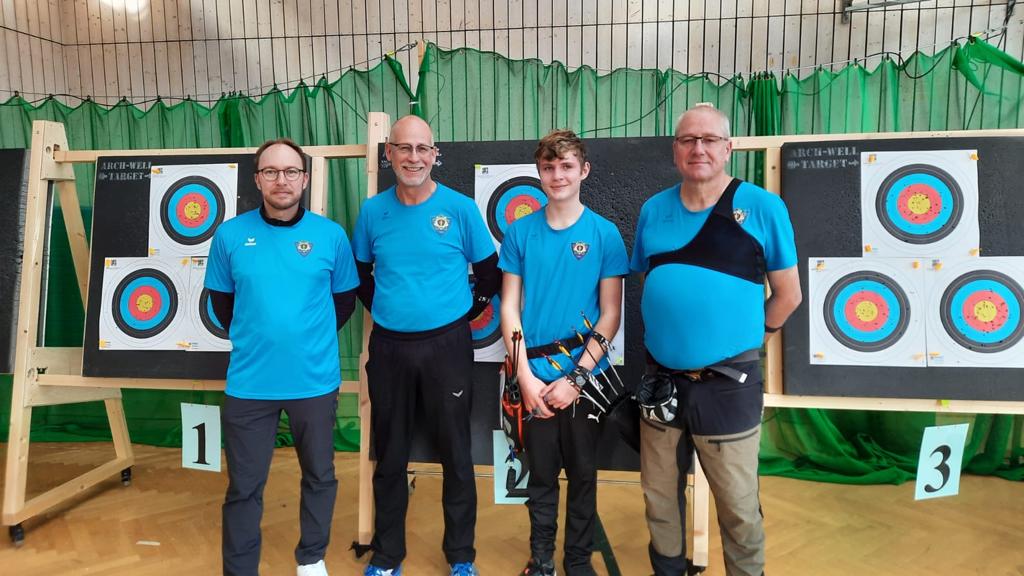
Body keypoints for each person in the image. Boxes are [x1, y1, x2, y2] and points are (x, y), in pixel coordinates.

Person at [630, 104, 802, 576]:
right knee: (658, 498)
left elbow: (788, 295)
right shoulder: (653, 210)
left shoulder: (763, 207)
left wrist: (748, 339)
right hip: (661, 384)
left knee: (739, 506)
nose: (698, 148)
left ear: (728, 148)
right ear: (675, 150)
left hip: (728, 386)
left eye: (709, 139)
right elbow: (650, 280)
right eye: (688, 139)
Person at [353, 115, 500, 576]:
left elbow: (490, 274)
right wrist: (390, 310)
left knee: (456, 454)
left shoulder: (460, 209)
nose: (413, 157)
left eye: (422, 148)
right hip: (389, 349)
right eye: (404, 148)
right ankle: (387, 555)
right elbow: (360, 275)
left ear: (435, 155)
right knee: (390, 454)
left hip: (447, 348)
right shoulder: (372, 212)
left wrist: (461, 314)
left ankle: (461, 555)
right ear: (389, 154)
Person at [205, 138, 360, 576]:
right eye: (271, 172)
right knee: (243, 487)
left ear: (304, 179)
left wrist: (305, 340)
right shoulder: (230, 235)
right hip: (250, 385)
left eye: (291, 171)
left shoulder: (330, 236)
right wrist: (263, 338)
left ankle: (311, 558)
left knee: (320, 475)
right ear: (257, 180)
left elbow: (344, 302)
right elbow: (222, 304)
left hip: (314, 382)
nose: (282, 180)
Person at [498, 129, 628, 576]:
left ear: (583, 170)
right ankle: (542, 560)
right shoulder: (520, 232)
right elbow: (509, 308)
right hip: (533, 375)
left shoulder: (604, 234)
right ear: (539, 172)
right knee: (540, 477)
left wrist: (576, 379)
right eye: (549, 167)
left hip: (586, 380)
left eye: (567, 166)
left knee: (584, 475)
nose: (558, 175)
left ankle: (577, 561)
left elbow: (611, 314)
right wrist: (525, 378)